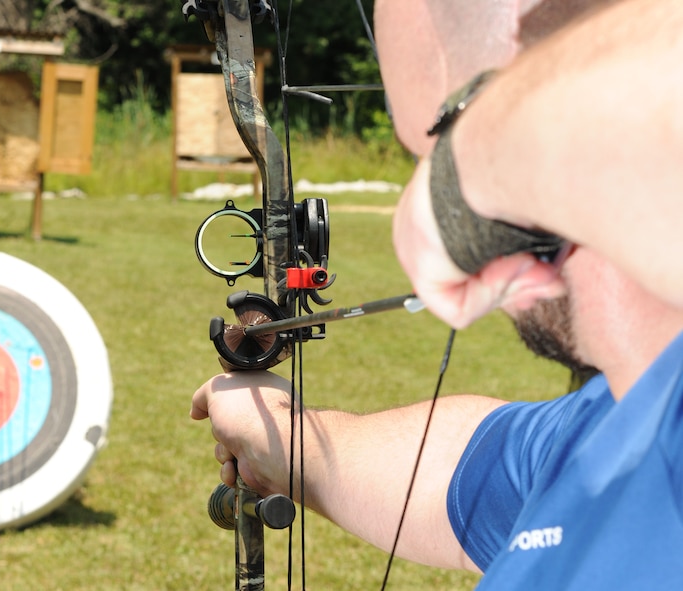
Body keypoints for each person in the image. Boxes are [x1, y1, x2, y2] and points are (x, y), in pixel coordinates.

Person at [191, 0, 683, 587]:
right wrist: (293, 439)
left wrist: (484, 155)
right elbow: (463, 466)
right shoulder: (610, 425)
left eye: (444, 140)